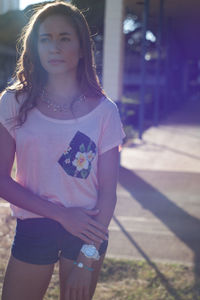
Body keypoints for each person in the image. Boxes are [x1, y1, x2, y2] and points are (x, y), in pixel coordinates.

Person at [0, 1, 126, 300]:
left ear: (82, 48)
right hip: (35, 225)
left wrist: (87, 257)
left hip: (86, 232)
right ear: (34, 46)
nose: (54, 47)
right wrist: (60, 215)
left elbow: (108, 193)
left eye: (64, 38)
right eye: (45, 38)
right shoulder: (13, 102)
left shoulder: (104, 111)